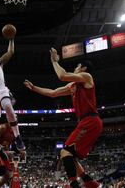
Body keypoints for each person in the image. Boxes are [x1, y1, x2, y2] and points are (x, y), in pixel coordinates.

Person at [23, 48, 103, 188]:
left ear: (83, 68)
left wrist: (54, 61)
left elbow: (62, 75)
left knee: (65, 152)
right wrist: (34, 88)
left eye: (77, 66)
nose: (75, 68)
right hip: (86, 122)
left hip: (90, 120)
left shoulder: (86, 77)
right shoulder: (72, 85)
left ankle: (74, 184)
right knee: (71, 156)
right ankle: (91, 183)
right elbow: (53, 93)